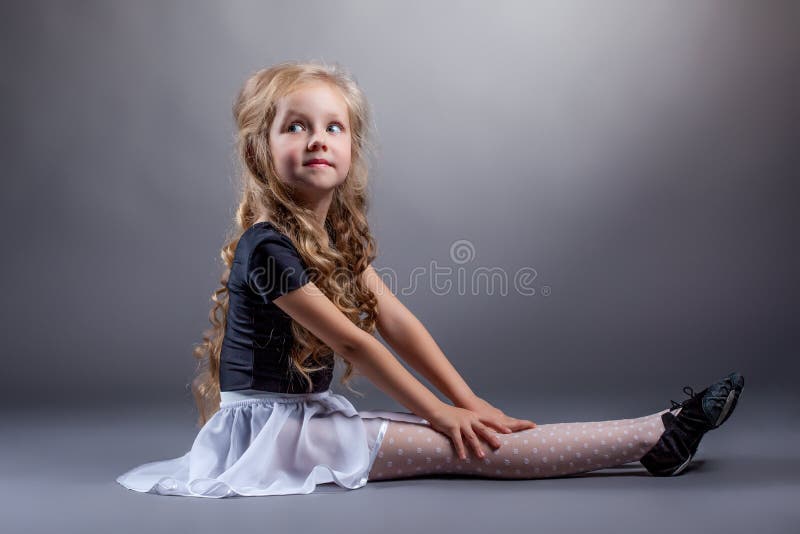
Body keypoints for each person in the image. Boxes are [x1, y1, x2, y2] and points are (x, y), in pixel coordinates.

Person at [115, 60, 745, 498]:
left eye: (333, 127)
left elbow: (398, 324)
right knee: (470, 451)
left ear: (352, 149)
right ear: (260, 150)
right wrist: (444, 417)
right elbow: (356, 345)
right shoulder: (266, 247)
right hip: (276, 434)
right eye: (295, 126)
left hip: (301, 420)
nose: (317, 140)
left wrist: (466, 401)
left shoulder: (331, 238)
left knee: (474, 431)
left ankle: (660, 433)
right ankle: (662, 432)